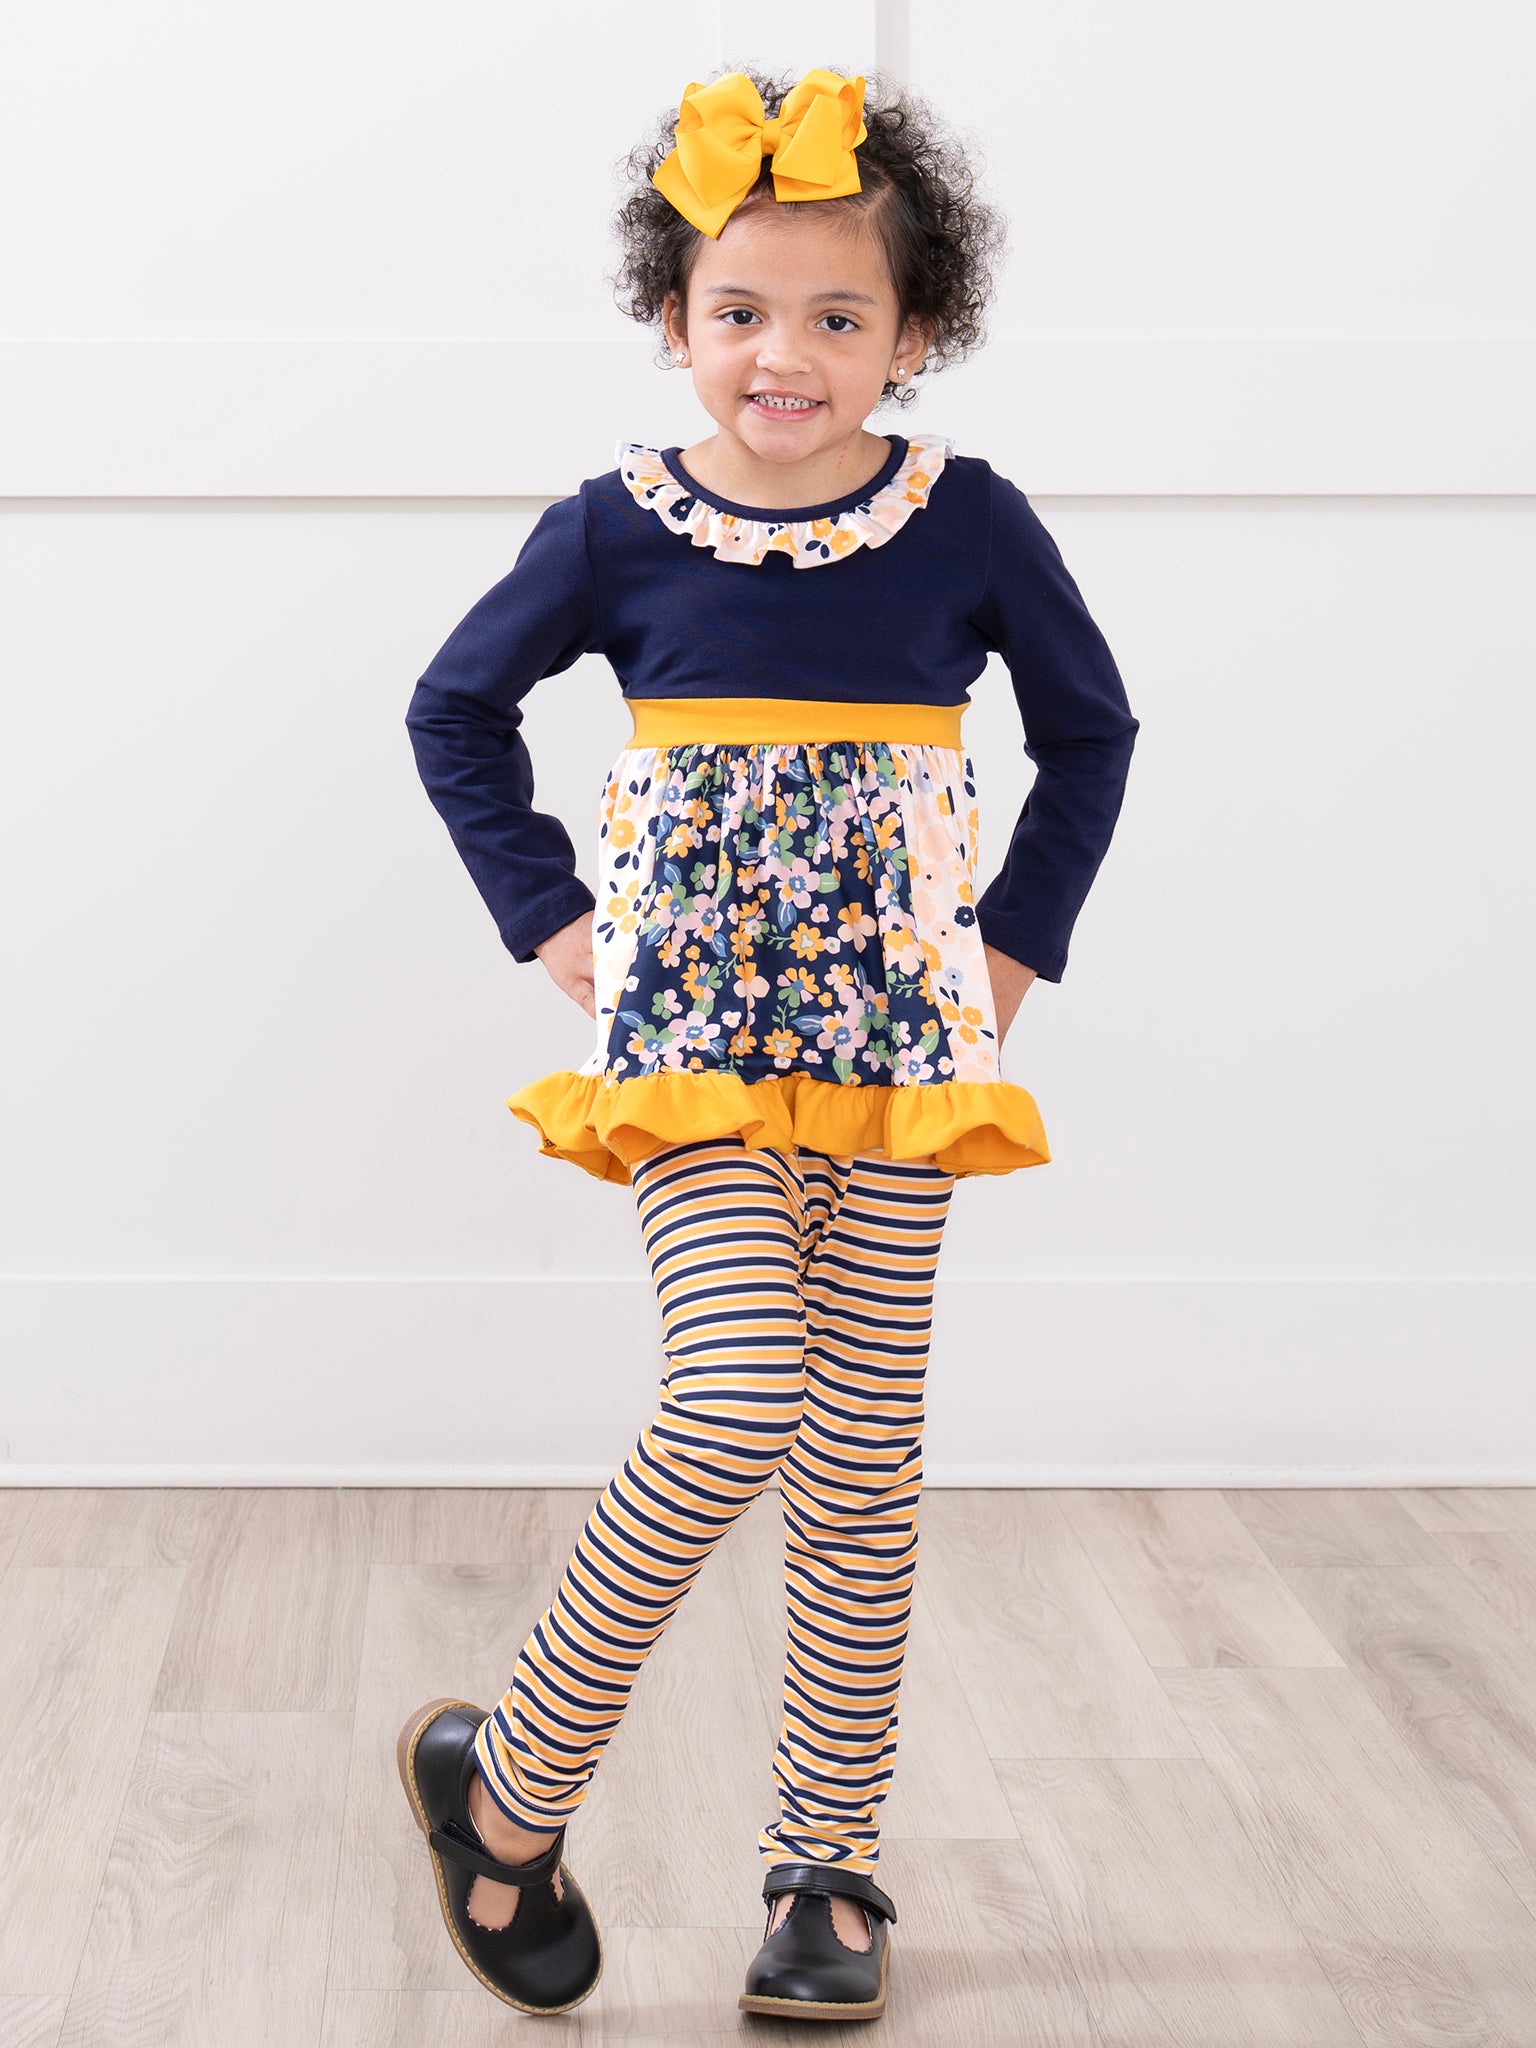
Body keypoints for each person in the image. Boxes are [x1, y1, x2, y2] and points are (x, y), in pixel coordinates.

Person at [396, 64, 1140, 2025]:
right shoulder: (612, 530)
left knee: (863, 1459)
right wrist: (555, 922)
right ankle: (513, 1777)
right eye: (738, 311)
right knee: (734, 1399)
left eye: (835, 315)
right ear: (673, 319)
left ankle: (826, 1868)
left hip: (903, 1053)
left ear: (915, 332)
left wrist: (1012, 950)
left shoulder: (969, 523)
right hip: (692, 1044)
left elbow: (1093, 734)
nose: (782, 356)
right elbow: (454, 711)